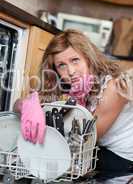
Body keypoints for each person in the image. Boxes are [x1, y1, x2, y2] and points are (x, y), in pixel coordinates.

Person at [15, 29, 133, 173]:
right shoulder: (69, 86)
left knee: (56, 164)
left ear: (89, 58)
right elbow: (17, 105)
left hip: (123, 157)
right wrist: (27, 105)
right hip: (98, 149)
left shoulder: (113, 87)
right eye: (61, 65)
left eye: (75, 60)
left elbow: (87, 138)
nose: (70, 71)